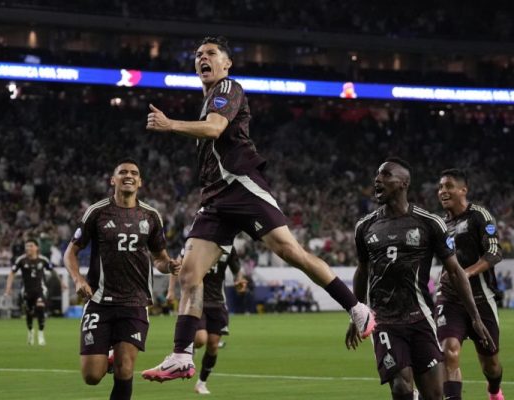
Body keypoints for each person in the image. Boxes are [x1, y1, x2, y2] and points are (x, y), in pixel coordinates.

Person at [142, 35, 375, 383]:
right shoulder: (208, 98)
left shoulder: (228, 88)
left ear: (226, 63)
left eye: (210, 54)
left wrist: (170, 124)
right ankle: (181, 355)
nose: (202, 58)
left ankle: (357, 308)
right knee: (190, 274)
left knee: (290, 251)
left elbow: (215, 129)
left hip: (242, 185)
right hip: (215, 199)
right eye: (197, 55)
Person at [345, 158, 495, 400]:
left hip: (421, 318)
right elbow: (362, 271)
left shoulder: (429, 223)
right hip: (385, 320)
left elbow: (455, 271)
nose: (377, 179)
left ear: (403, 183)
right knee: (402, 388)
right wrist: (356, 313)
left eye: (385, 175)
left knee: (435, 395)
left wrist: (475, 318)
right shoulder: (365, 226)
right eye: (377, 174)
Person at [63, 159, 181, 400]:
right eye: (123, 172)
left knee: (125, 368)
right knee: (92, 376)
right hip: (99, 301)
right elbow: (70, 252)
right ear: (113, 180)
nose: (129, 175)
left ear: (140, 182)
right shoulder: (97, 212)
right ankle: (106, 356)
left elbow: (159, 258)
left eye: (134, 173)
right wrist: (78, 280)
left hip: (134, 303)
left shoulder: (150, 215)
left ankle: (116, 357)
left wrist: (168, 266)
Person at [435, 169, 504, 400]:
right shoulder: (440, 224)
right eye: (441, 187)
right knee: (449, 351)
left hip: (481, 297)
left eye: (449, 186)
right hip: (450, 298)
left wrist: (466, 273)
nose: (443, 191)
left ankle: (494, 390)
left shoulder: (479, 215)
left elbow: (494, 252)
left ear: (463, 190)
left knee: (491, 365)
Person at [167, 247, 247, 395]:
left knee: (213, 345)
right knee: (200, 338)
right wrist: (171, 290)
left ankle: (201, 383)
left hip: (218, 302)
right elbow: (176, 265)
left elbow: (238, 270)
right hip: (197, 299)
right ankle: (193, 347)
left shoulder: (228, 248)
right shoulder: (197, 242)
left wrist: (239, 281)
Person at [4, 238, 52, 346]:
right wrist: (8, 288)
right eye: (27, 246)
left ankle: (40, 334)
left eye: (30, 246)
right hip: (26, 291)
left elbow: (53, 271)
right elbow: (12, 273)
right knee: (29, 313)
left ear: (36, 247)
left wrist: (62, 283)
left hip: (40, 289)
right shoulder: (21, 260)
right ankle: (30, 332)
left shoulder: (43, 260)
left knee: (40, 306)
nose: (28, 248)